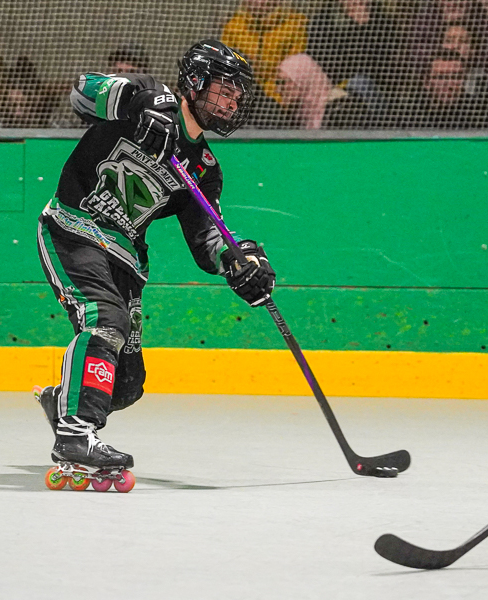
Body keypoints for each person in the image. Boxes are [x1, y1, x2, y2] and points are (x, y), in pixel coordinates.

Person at [34, 40, 276, 476]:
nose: (232, 102)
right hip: (75, 227)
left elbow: (208, 237)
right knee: (106, 321)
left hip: (125, 257)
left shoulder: (203, 167)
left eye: (238, 96)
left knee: (126, 386)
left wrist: (241, 260)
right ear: (196, 82)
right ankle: (74, 435)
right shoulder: (149, 92)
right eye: (225, 90)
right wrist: (138, 100)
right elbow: (82, 91)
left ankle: (62, 399)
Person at [221, 0, 307, 103]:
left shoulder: (294, 25)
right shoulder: (234, 26)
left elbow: (294, 70)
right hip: (241, 96)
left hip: (278, 99)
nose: (259, 2)